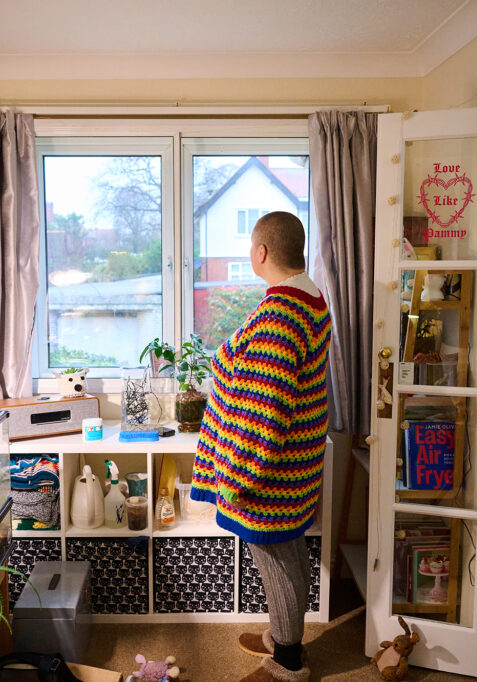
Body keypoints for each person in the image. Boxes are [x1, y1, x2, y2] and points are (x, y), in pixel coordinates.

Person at [190, 211, 331, 682]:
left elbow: (262, 408)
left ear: (262, 252)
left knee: (275, 557)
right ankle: (281, 632)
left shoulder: (280, 315)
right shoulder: (310, 298)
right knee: (288, 553)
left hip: (269, 470)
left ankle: (288, 661)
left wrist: (238, 473)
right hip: (296, 458)